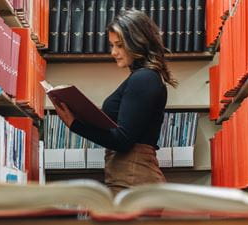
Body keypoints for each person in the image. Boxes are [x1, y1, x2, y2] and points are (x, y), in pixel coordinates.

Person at [52, 10, 178, 196]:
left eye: (119, 45)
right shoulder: (143, 78)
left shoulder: (144, 78)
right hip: (130, 179)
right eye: (112, 45)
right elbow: (117, 130)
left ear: (137, 41)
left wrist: (75, 125)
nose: (113, 52)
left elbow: (122, 140)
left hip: (134, 181)